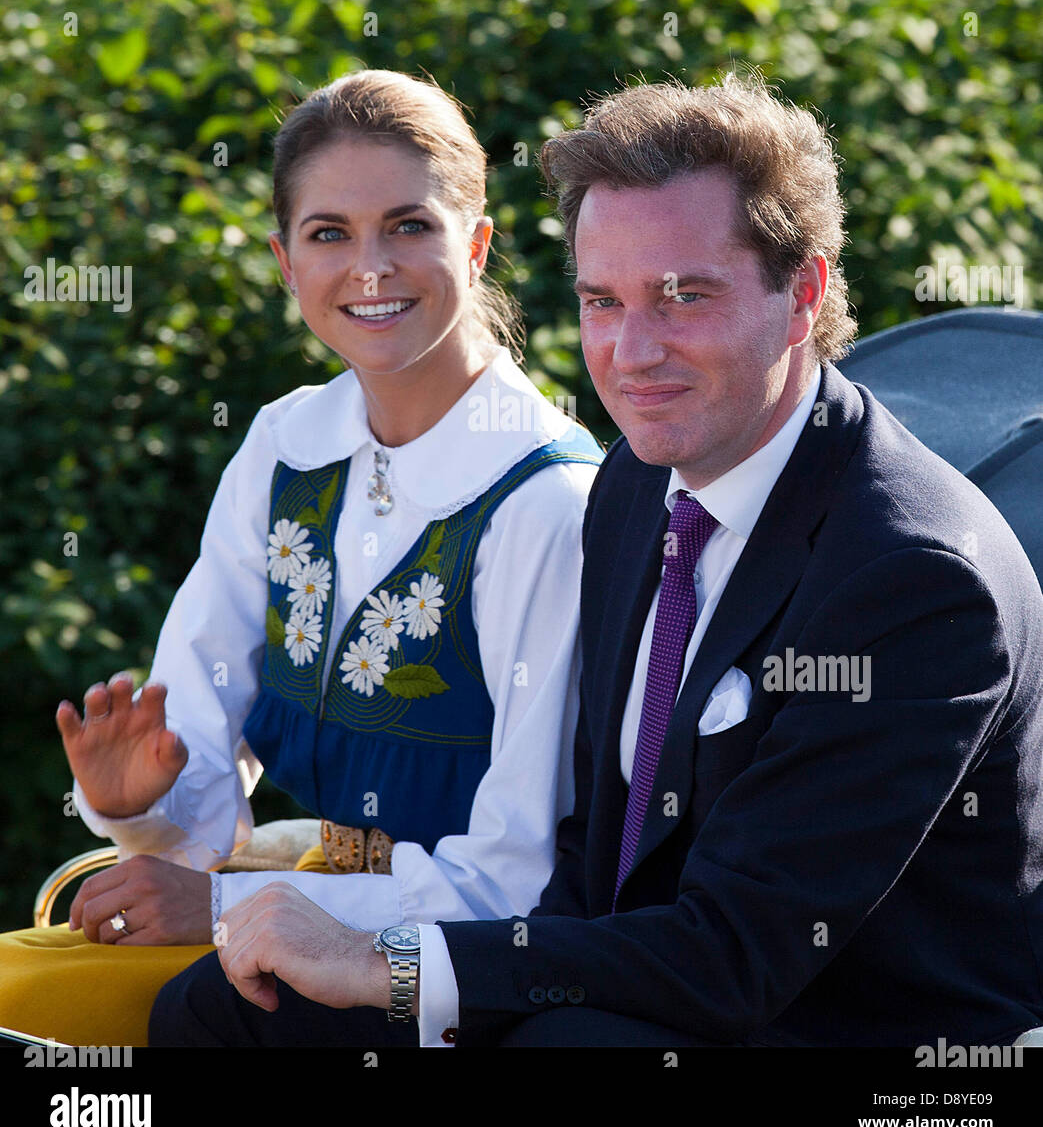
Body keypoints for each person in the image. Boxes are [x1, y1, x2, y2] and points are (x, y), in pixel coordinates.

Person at [159, 70, 1043, 1048]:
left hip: (866, 1053)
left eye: (683, 296)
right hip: (627, 983)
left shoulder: (910, 577)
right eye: (600, 301)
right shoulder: (635, 487)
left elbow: (738, 949)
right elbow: (589, 864)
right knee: (223, 1011)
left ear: (802, 294)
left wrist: (392, 963)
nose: (631, 351)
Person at [0, 69, 603, 1047]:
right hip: (298, 909)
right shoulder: (284, 448)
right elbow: (195, 792)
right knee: (13, 997)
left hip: (456, 979)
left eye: (408, 225)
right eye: (329, 233)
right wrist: (140, 806)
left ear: (477, 242)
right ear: (286, 262)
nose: (369, 267)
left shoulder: (543, 502)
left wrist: (231, 907)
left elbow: (516, 883)